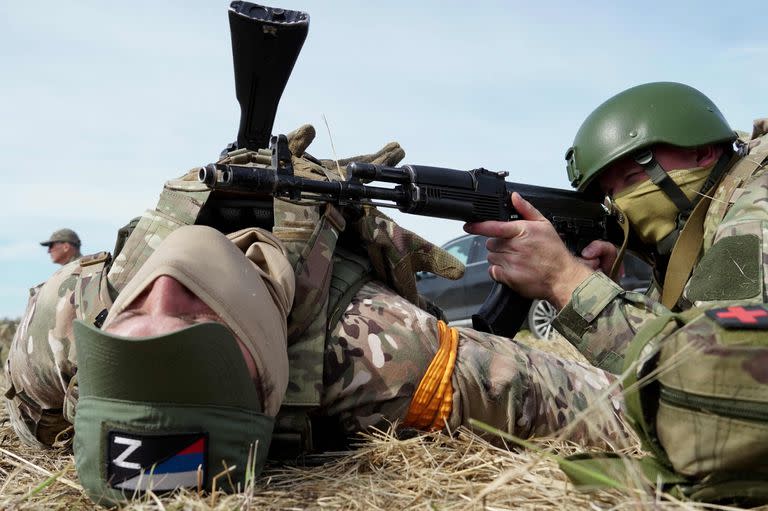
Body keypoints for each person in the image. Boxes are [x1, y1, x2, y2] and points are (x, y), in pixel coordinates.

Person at [4, 125, 628, 505]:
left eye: (129, 329)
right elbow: (628, 407)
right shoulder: (376, 353)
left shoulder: (59, 326)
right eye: (197, 330)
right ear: (266, 378)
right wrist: (573, 284)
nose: (164, 288)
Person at [466, 81, 768, 500]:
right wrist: (612, 291)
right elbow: (684, 327)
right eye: (609, 193)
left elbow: (718, 377)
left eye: (632, 176)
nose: (622, 203)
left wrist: (565, 281)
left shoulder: (755, 209)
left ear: (703, 151)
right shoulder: (703, 214)